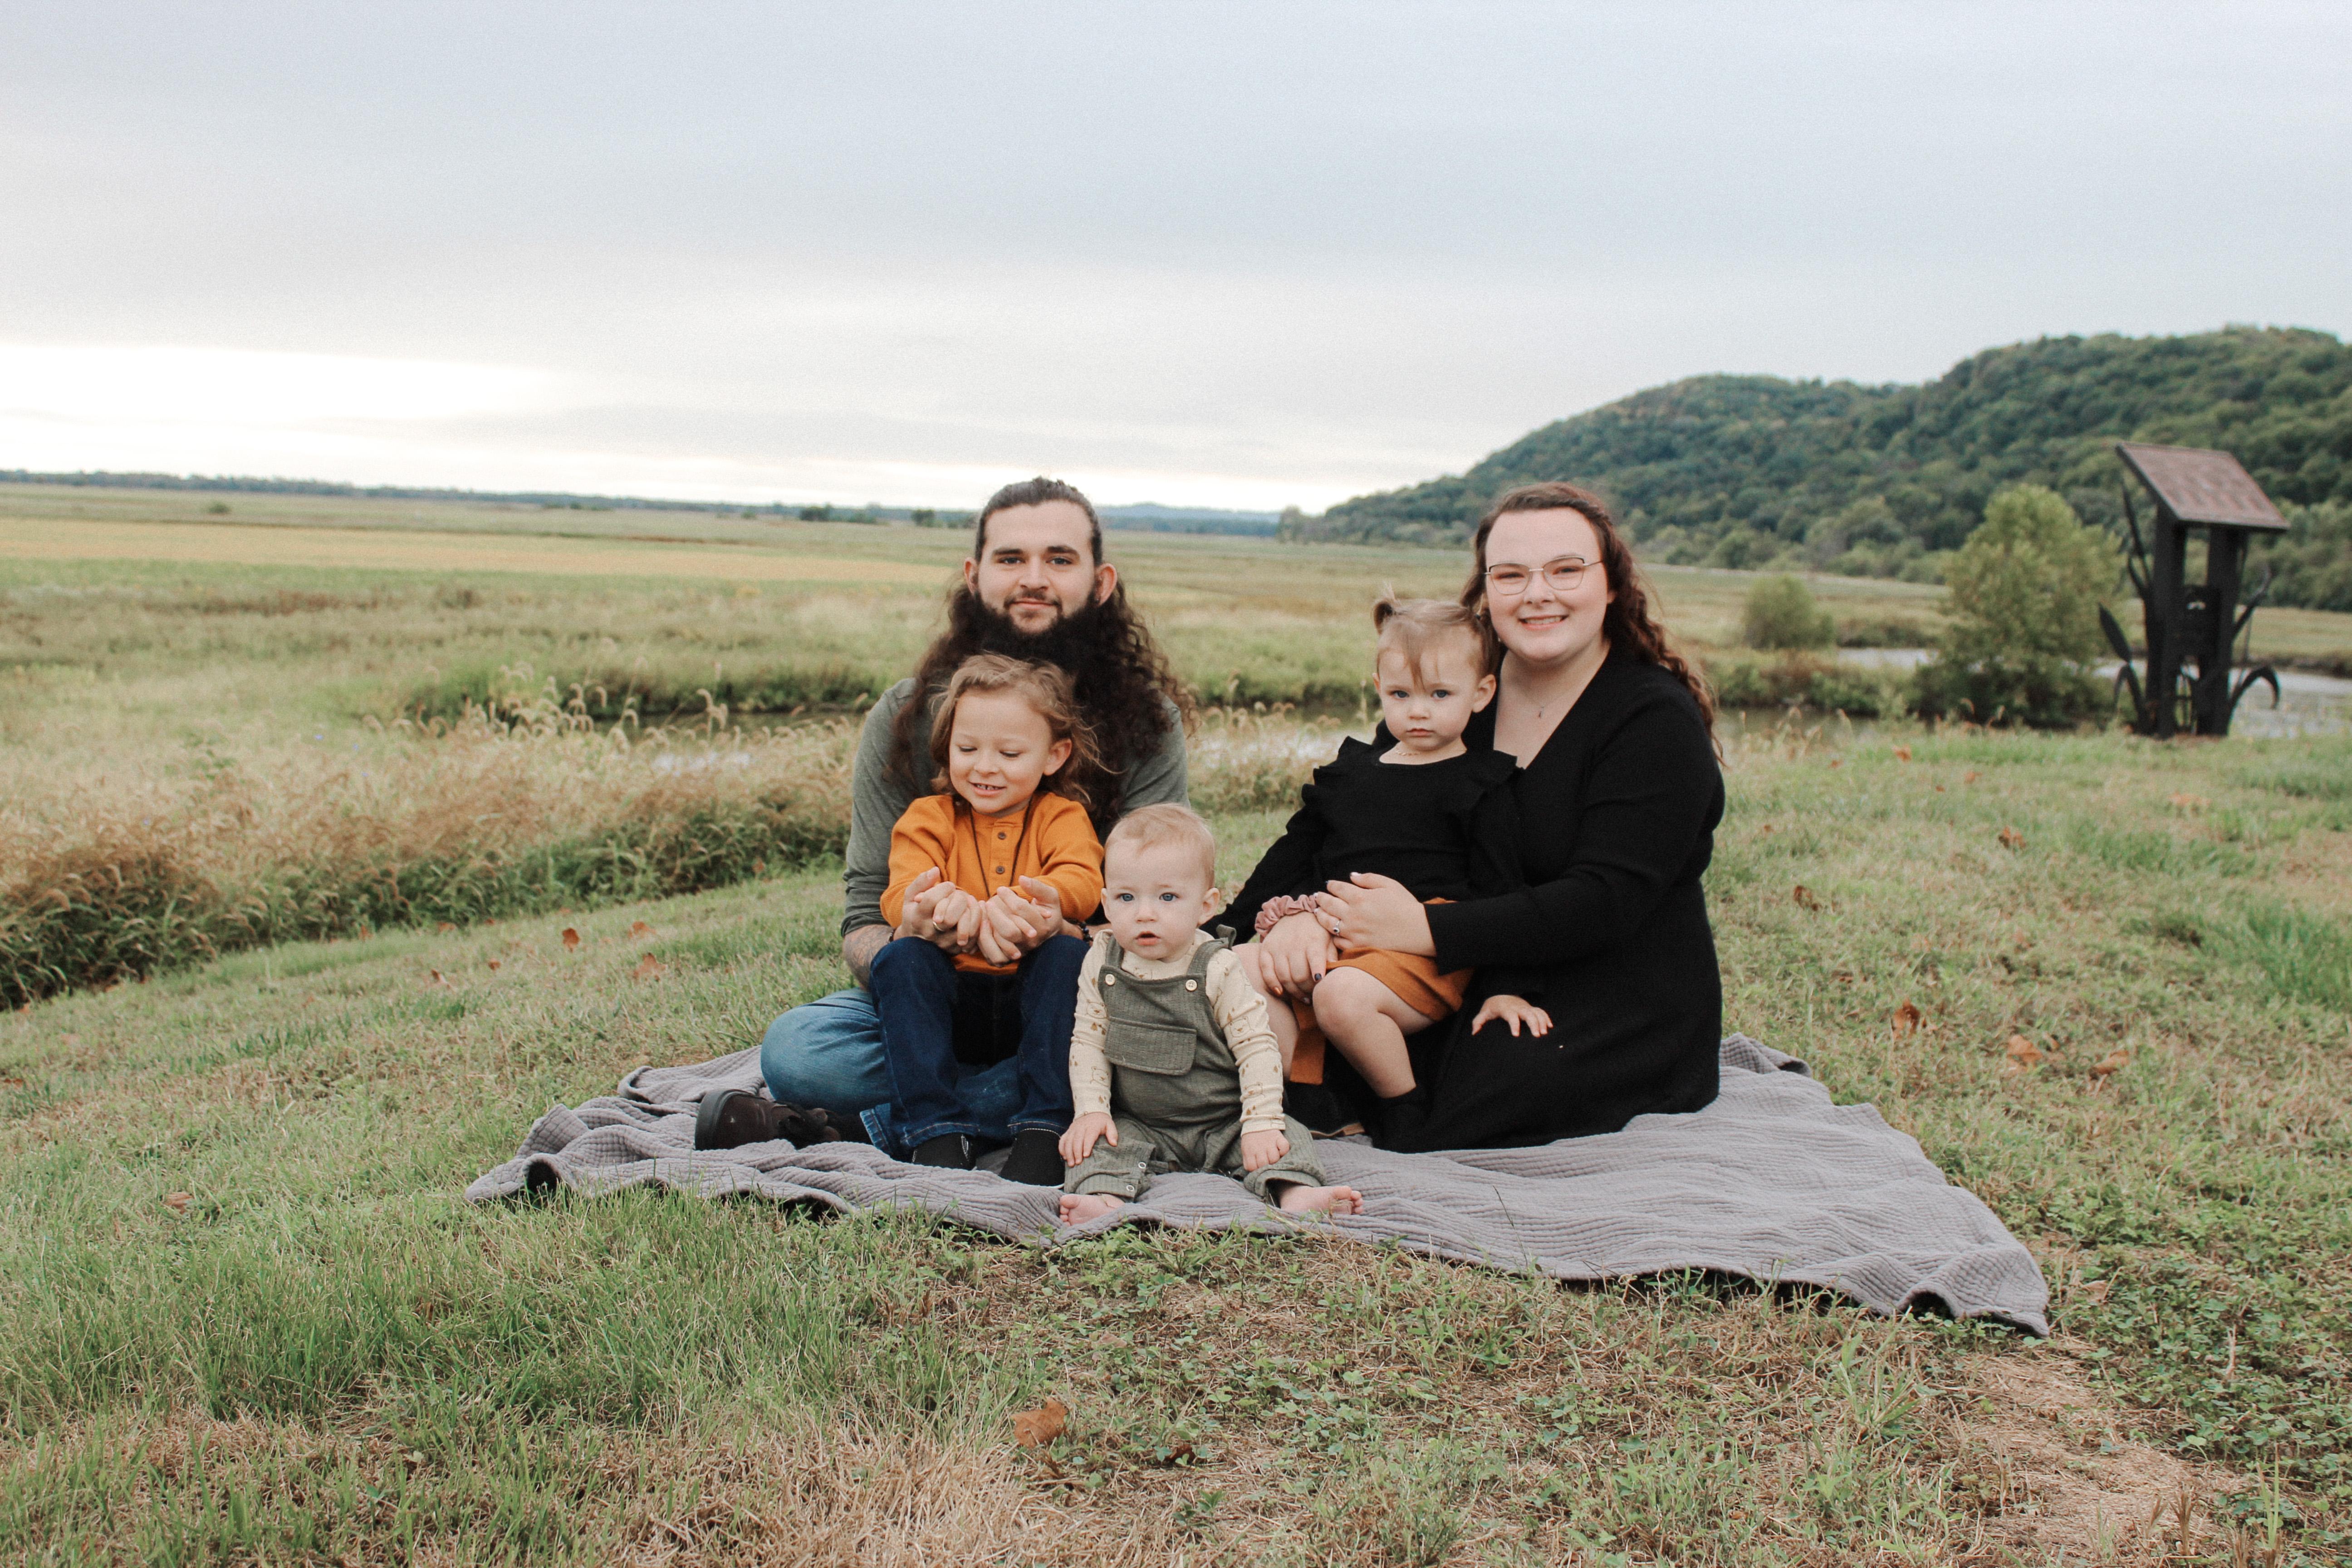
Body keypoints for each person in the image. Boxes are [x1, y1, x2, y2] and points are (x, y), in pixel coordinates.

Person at [1254, 482, 1725, 1148]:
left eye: (1566, 570)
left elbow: (1606, 901)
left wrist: (1425, 927)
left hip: (1609, 983)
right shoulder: (1454, 687)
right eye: (1511, 575)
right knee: (1277, 1001)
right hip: (1443, 965)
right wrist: (1299, 915)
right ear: (1486, 590)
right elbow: (1353, 821)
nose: (1537, 593)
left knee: (1490, 1083)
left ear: (1612, 585)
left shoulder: (1653, 721)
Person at [747, 477, 1191, 1157]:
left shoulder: (1147, 722)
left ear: (1101, 583)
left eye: (1059, 559)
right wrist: (912, 935)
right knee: (801, 1053)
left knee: (1163, 1043)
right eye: (1011, 558)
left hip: (1082, 998)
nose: (1033, 579)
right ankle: (1030, 1104)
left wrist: (1067, 930)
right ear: (974, 575)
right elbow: (865, 915)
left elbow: (1167, 909)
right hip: (941, 1000)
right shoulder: (905, 716)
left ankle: (883, 1124)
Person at [1225, 598, 1548, 1147]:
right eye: (1401, 695)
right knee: (1238, 969)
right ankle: (1303, 1095)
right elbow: (1290, 857)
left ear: (1481, 693)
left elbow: (1503, 894)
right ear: (1378, 688)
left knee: (1341, 996)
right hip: (1336, 931)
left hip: (1425, 948)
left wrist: (1507, 989)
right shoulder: (1351, 775)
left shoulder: (1481, 785)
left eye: (1440, 695)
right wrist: (1226, 929)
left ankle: (1406, 1107)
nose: (1418, 712)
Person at [1058, 805, 1362, 1223]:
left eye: (1167, 898)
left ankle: (1296, 1192)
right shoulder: (1102, 961)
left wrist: (1260, 1122)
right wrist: (1092, 1110)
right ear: (1106, 904)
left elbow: (1257, 1047)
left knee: (1285, 1136)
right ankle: (1105, 1198)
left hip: (1225, 1121)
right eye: (1127, 897)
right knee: (1097, 1144)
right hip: (1142, 1123)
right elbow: (1089, 1040)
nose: (1145, 913)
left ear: (1206, 906)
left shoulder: (1218, 967)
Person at [864, 654, 1101, 1181]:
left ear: (1055, 755)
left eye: (1009, 753)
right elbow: (902, 891)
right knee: (901, 957)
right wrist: (925, 909)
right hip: (950, 1009)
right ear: (947, 746)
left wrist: (1045, 902)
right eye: (967, 749)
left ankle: (1044, 1130)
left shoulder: (1062, 817)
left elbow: (1083, 881)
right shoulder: (927, 818)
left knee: (1068, 953)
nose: (985, 767)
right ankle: (937, 1132)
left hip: (1034, 1012)